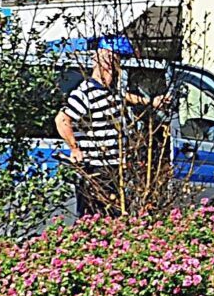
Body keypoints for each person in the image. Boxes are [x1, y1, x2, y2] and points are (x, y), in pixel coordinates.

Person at [55, 46, 165, 219]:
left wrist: (150, 102)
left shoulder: (109, 91)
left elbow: (125, 97)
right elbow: (62, 120)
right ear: (105, 65)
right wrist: (74, 148)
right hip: (96, 169)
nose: (116, 71)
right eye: (114, 66)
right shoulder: (84, 93)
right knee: (95, 216)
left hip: (114, 168)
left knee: (113, 216)